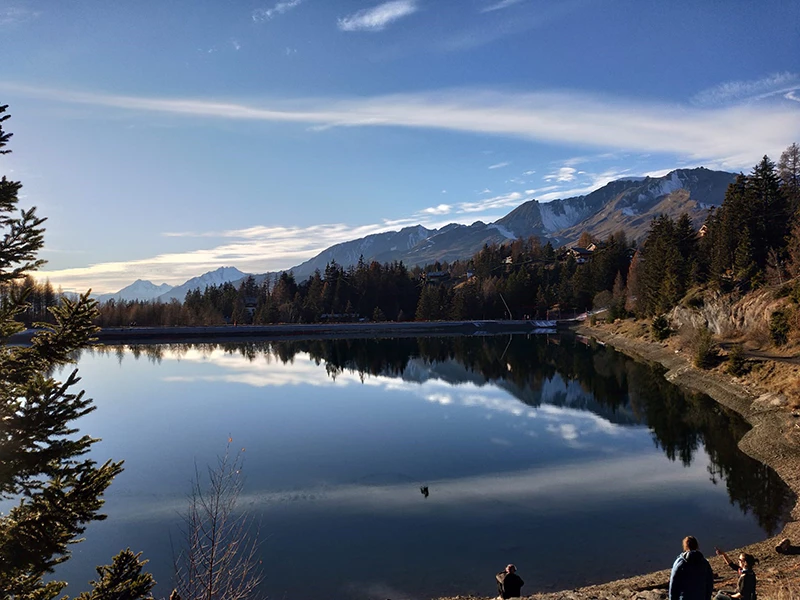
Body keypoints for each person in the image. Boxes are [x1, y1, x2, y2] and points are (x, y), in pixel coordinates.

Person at [669, 536, 714, 600]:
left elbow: (673, 584)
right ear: (696, 545)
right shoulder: (704, 562)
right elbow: (709, 583)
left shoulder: (680, 562)